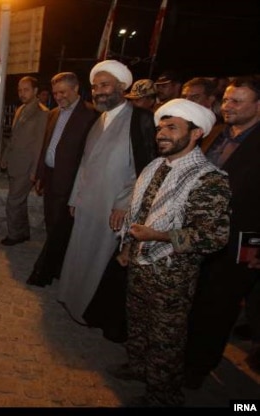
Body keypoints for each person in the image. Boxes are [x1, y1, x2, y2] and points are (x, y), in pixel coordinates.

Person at [107, 99, 231, 406]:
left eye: (171, 128)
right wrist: (128, 247)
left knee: (166, 341)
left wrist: (157, 236)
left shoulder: (208, 179)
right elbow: (142, 212)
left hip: (172, 276)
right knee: (138, 324)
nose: (161, 133)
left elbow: (213, 237)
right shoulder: (155, 166)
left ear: (196, 133)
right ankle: (138, 368)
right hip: (139, 263)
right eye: (161, 126)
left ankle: (163, 397)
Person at [57, 60, 156, 325]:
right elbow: (84, 163)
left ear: (122, 87)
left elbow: (147, 168)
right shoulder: (98, 120)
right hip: (87, 202)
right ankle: (72, 299)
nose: (98, 91)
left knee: (100, 260)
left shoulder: (140, 119)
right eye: (95, 86)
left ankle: (90, 311)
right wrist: (74, 198)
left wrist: (125, 204)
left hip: (113, 207)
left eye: (105, 85)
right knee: (79, 253)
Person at [184, 75, 260, 388]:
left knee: (217, 309)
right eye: (226, 100)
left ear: (258, 106)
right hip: (198, 236)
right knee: (191, 301)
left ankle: (195, 370)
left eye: (237, 101)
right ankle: (177, 356)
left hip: (237, 244)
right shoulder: (216, 132)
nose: (227, 106)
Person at [26, 72, 98, 286]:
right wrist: (40, 174)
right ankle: (57, 265)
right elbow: (46, 146)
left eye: (63, 92)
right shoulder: (54, 113)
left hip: (72, 184)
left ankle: (45, 271)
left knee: (61, 227)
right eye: (56, 93)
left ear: (76, 89)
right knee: (51, 224)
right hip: (51, 178)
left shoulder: (92, 115)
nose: (58, 97)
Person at [0, 76, 48, 246]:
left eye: (26, 89)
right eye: (20, 90)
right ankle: (23, 232)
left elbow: (40, 145)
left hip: (27, 167)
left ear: (35, 91)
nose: (22, 93)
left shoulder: (42, 113)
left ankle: (15, 235)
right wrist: (5, 157)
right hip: (15, 163)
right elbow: (14, 137)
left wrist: (35, 171)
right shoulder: (21, 109)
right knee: (19, 202)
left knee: (13, 202)